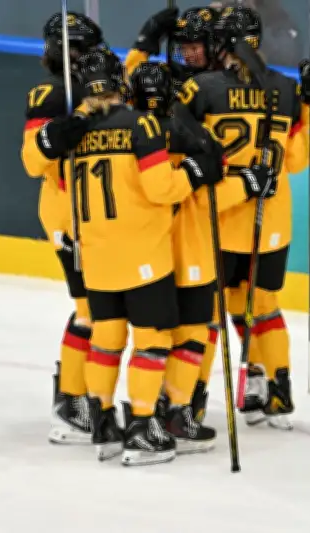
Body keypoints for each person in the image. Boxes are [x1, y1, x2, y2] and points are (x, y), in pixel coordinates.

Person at [62, 50, 224, 466]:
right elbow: (162, 190)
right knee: (152, 341)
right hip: (143, 256)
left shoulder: (77, 132)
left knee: (106, 340)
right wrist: (193, 170)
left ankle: (102, 424)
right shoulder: (141, 125)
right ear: (121, 83)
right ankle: (142, 428)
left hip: (96, 257)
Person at [176, 6, 310, 429]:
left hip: (220, 219)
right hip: (272, 224)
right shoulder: (286, 89)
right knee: (262, 308)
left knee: (206, 316)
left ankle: (192, 402)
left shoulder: (201, 89)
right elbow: (296, 162)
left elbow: (180, 149)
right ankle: (277, 393)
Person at [20, 12, 105, 445]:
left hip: (98, 217)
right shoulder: (51, 95)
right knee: (90, 310)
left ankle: (82, 396)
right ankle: (71, 402)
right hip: (68, 218)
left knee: (100, 309)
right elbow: (33, 159)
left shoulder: (98, 87)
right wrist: (61, 132)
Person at [128, 61, 220, 453]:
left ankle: (148, 413)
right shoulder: (193, 135)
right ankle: (176, 412)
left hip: (149, 253)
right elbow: (209, 191)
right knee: (192, 335)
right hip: (190, 248)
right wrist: (247, 182)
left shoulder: (125, 132)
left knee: (155, 338)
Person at [126, 6, 220, 88]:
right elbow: (128, 85)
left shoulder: (227, 82)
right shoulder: (169, 81)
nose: (187, 55)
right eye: (183, 48)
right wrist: (143, 45)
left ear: (213, 46)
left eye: (194, 48)